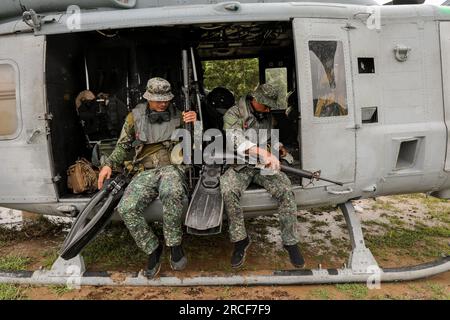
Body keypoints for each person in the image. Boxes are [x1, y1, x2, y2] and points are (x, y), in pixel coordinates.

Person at [97, 77, 197, 278]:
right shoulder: (135, 117)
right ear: (148, 98)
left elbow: (196, 146)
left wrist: (195, 124)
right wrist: (108, 164)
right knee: (127, 207)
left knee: (172, 192)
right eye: (158, 99)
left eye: (165, 99)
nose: (162, 103)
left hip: (171, 167)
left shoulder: (181, 115)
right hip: (145, 170)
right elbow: (123, 146)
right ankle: (153, 248)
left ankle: (174, 245)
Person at [220, 83, 305, 269]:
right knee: (228, 190)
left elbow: (268, 137)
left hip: (261, 165)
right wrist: (261, 152)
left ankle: (290, 242)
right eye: (266, 105)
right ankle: (240, 241)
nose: (268, 109)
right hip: (240, 165)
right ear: (255, 99)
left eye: (270, 106)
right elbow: (236, 140)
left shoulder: (266, 115)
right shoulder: (233, 114)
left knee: (285, 188)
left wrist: (278, 148)